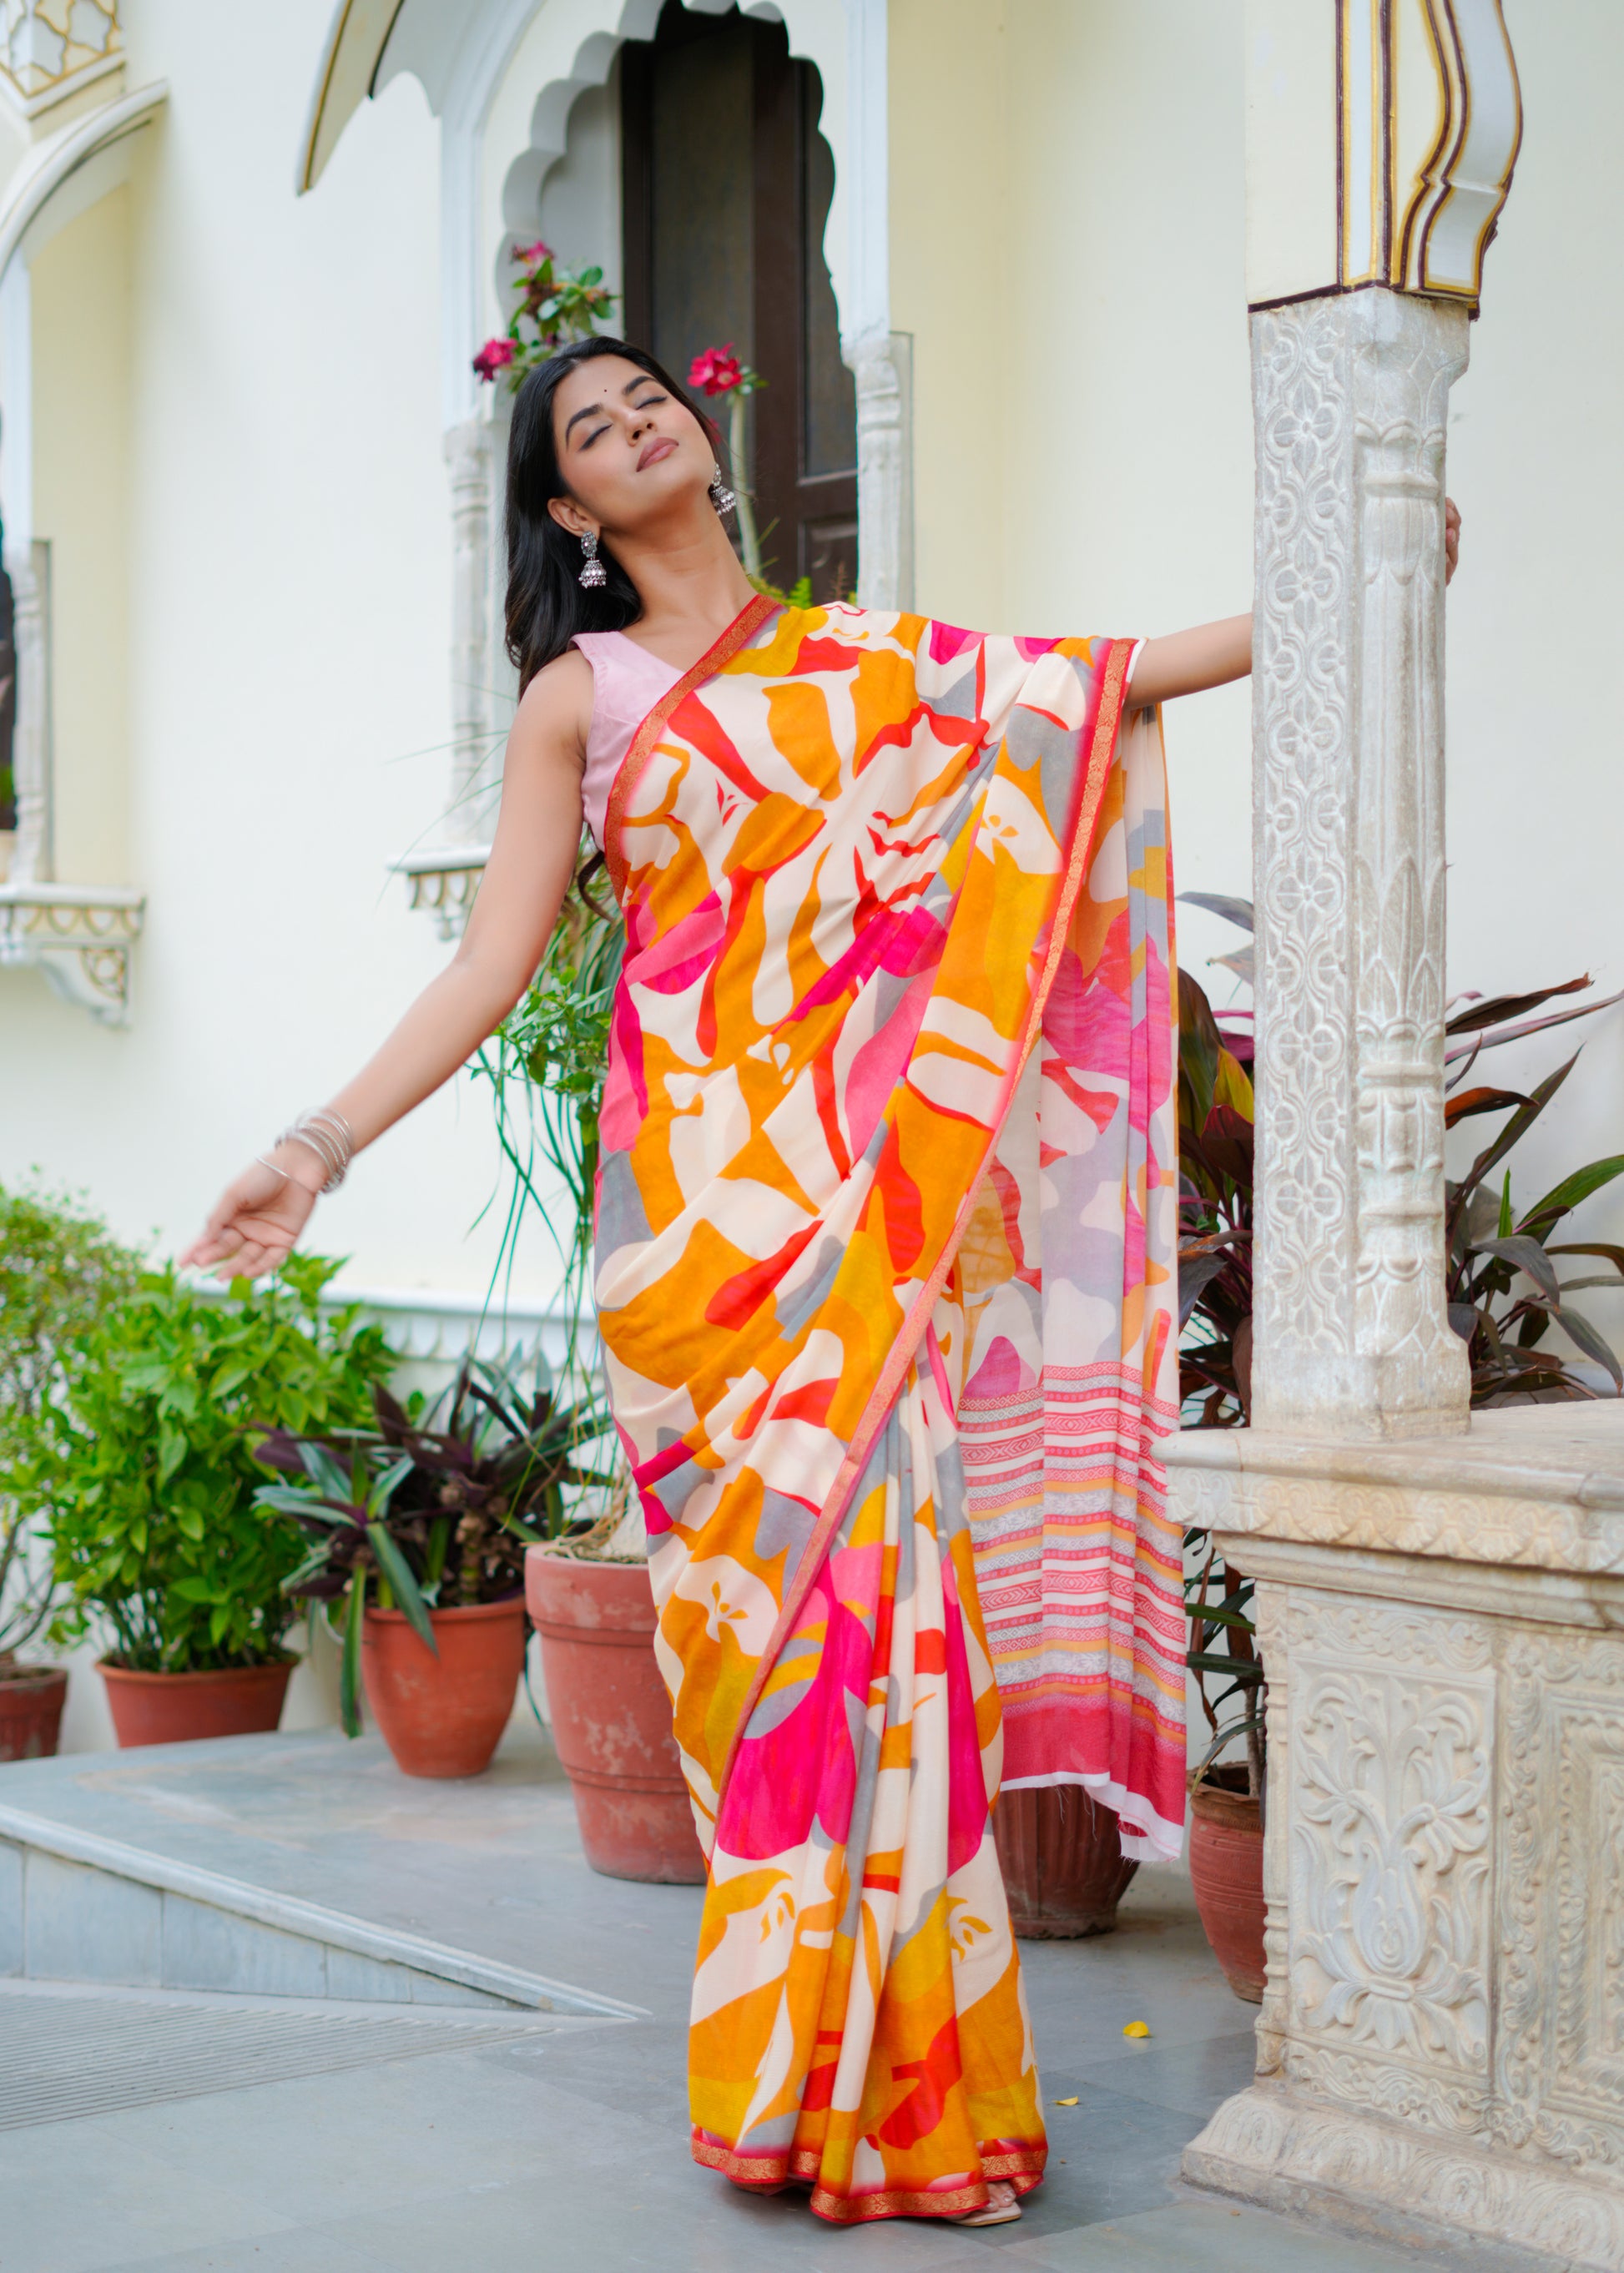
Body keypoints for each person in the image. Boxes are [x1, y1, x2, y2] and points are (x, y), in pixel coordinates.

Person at [183, 336, 1460, 2227]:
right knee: (771, 1662)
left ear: (699, 435)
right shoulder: (581, 696)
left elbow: (1098, 684)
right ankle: (795, 2086)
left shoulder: (864, 659)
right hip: (699, 1248)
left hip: (873, 1232)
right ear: (566, 507)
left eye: (648, 399)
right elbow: (488, 963)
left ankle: (908, 2106)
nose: (635, 424)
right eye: (590, 428)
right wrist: (316, 1144)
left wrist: (1357, 588)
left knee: (896, 1636)